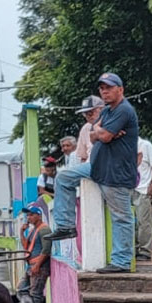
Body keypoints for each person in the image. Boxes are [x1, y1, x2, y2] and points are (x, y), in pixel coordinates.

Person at [46, 74, 138, 274]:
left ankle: (121, 261)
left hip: (116, 172)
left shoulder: (123, 110)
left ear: (120, 89)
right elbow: (95, 134)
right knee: (63, 177)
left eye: (109, 87)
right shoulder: (107, 111)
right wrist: (100, 131)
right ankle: (65, 225)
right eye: (102, 88)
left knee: (121, 217)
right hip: (97, 167)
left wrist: (102, 133)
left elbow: (103, 136)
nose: (104, 91)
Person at [135, 134, 152, 262]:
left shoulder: (145, 145)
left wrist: (151, 187)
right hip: (127, 188)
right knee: (129, 222)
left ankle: (145, 251)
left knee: (144, 221)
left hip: (142, 188)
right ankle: (133, 248)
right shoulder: (124, 145)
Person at [19, 203, 51, 303]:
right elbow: (26, 247)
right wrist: (22, 232)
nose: (29, 217)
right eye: (28, 215)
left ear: (39, 216)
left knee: (36, 293)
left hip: (39, 266)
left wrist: (37, 265)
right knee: (22, 289)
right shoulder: (33, 230)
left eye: (31, 215)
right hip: (31, 265)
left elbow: (46, 249)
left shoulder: (44, 229)